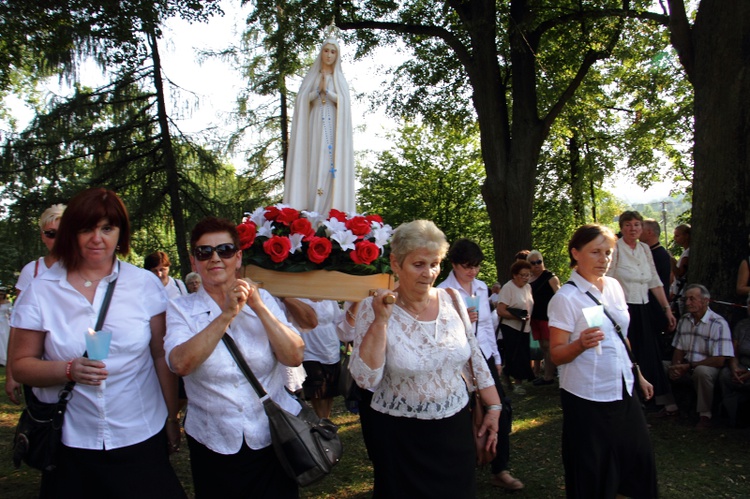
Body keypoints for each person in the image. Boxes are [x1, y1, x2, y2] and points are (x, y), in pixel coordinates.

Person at [10, 188, 185, 498]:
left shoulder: (143, 285)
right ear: (71, 233)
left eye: (107, 228)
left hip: (140, 432)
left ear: (120, 233)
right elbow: (21, 365)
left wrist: (172, 418)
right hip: (72, 440)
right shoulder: (42, 290)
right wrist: (68, 369)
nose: (97, 238)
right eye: (86, 228)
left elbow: (160, 356)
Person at [349, 220, 501, 499]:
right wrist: (381, 322)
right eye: (418, 264)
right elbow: (365, 378)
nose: (428, 273)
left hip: (455, 431)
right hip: (401, 437)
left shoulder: (453, 299)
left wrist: (493, 407)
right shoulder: (373, 310)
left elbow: (475, 359)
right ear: (395, 263)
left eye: (435, 263)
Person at [164, 216, 305, 499]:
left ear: (238, 258)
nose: (215, 258)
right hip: (213, 441)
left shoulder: (262, 299)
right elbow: (180, 364)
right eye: (205, 252)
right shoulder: (180, 308)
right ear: (194, 262)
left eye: (225, 250)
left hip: (272, 438)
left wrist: (258, 306)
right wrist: (226, 314)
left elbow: (293, 356)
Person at [548, 224, 657, 499]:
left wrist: (637, 374)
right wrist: (580, 344)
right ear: (576, 253)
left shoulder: (614, 287)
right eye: (595, 252)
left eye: (608, 253)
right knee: (593, 471)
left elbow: (622, 338)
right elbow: (557, 354)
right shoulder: (566, 298)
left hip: (622, 389)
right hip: (587, 397)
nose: (603, 260)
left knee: (637, 463)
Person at [437, 238, 523, 490]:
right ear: (453, 264)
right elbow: (439, 335)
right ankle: (463, 468)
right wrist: (461, 322)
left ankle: (500, 468)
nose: (472, 271)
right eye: (466, 266)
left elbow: (487, 326)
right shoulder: (443, 292)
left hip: (483, 357)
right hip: (457, 361)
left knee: (500, 409)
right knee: (461, 415)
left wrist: (495, 358)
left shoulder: (482, 288)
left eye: (475, 266)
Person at [607, 210, 676, 406]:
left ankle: (652, 399)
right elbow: (608, 280)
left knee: (648, 353)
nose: (633, 229)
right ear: (621, 228)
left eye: (636, 225)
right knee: (630, 353)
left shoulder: (645, 249)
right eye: (628, 225)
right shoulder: (616, 249)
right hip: (624, 309)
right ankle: (630, 398)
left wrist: (666, 308)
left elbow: (654, 281)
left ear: (642, 228)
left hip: (644, 309)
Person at [283, 36, 355, 214]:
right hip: (314, 122)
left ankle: (328, 210)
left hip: (333, 125)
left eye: (333, 52)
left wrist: (328, 92)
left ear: (337, 55)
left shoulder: (339, 79)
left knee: (328, 162)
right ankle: (309, 208)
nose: (329, 55)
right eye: (326, 50)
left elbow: (343, 103)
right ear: (321, 52)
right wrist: (317, 92)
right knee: (314, 160)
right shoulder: (312, 77)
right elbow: (302, 101)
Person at [6, 203, 66, 404]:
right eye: (51, 234)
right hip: (38, 364)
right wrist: (12, 373)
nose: (57, 239)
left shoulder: (83, 270)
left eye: (63, 232)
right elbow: (17, 324)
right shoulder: (31, 271)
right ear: (42, 236)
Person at [659, 284, 734, 429]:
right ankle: (670, 406)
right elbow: (679, 348)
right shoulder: (685, 320)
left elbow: (719, 360)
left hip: (708, 367)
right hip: (686, 364)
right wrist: (676, 366)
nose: (687, 303)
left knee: (702, 372)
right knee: (661, 366)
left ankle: (705, 415)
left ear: (706, 301)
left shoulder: (718, 323)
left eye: (692, 299)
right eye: (686, 299)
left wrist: (689, 366)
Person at [496, 260, 535, 394]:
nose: (525, 278)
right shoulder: (508, 288)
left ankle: (507, 375)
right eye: (522, 275)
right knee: (515, 354)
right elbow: (500, 310)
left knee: (523, 354)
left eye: (528, 275)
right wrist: (516, 317)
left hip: (525, 327)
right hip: (511, 327)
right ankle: (517, 383)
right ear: (514, 275)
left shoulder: (528, 287)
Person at [527, 250, 561, 386]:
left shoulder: (550, 277)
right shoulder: (529, 279)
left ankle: (549, 376)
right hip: (535, 317)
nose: (536, 265)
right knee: (543, 346)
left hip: (548, 317)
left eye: (539, 261)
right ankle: (547, 373)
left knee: (548, 345)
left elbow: (559, 295)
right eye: (533, 263)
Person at [720, 304, 750, 427]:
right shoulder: (742, 325)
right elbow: (733, 352)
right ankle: (731, 414)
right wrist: (734, 368)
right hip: (742, 367)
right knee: (725, 375)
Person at [670, 223, 691, 314]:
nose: (675, 238)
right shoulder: (685, 252)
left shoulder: (688, 253)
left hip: (681, 293)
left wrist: (670, 260)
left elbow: (680, 274)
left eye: (677, 236)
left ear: (686, 236)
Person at [0, 288, 11, 366]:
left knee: (5, 338)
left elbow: (10, 313)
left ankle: (5, 358)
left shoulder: (7, 303)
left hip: (4, 322)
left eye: (2, 294)